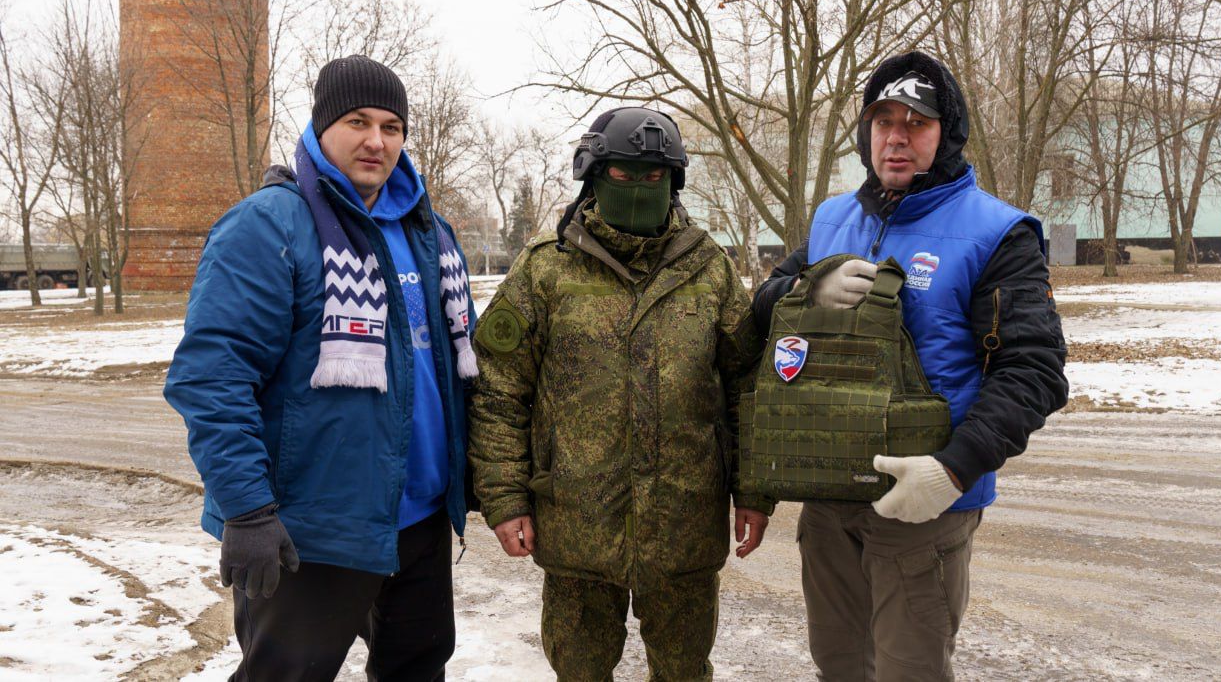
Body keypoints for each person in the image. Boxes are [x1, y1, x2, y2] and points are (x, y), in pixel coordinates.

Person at [751, 51, 1068, 680]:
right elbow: (760, 311)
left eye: (916, 123)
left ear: (945, 136)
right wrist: (806, 288)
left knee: (908, 672)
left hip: (923, 505)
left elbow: (1034, 371)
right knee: (839, 666)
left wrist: (952, 471)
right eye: (883, 121)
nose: (896, 137)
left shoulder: (997, 234)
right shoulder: (832, 220)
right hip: (829, 496)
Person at [165, 54, 477, 681]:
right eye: (357, 121)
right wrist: (248, 510)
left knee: (418, 671)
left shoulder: (429, 232)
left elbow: (455, 373)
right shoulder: (268, 225)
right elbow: (212, 377)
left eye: (391, 126)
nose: (376, 141)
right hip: (308, 530)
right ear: (321, 125)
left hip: (419, 520)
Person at [468, 107, 772, 681]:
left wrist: (753, 493)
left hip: (684, 529)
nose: (638, 187)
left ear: (674, 181)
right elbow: (499, 394)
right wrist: (505, 501)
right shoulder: (546, 270)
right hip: (576, 529)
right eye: (623, 175)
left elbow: (748, 390)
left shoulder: (709, 269)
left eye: (653, 176)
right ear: (593, 175)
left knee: (684, 674)